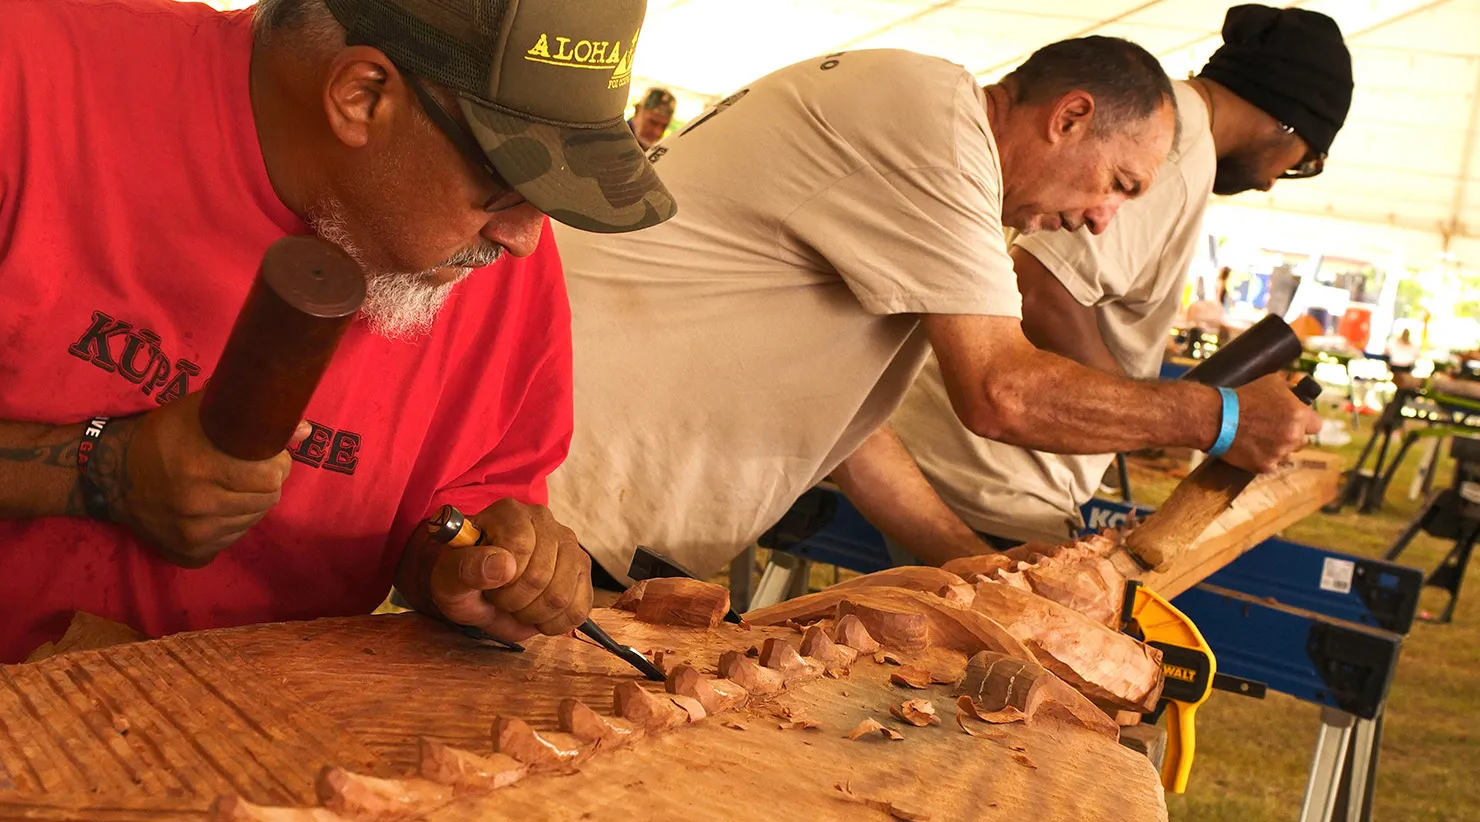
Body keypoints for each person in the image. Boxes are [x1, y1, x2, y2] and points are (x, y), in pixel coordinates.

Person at [0, 0, 674, 695]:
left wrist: (471, 568)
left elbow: (451, 522)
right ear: (362, 95)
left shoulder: (488, 263)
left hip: (211, 773)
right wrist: (98, 468)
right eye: (504, 186)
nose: (522, 239)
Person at [550, 36, 1320, 582]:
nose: (1100, 219)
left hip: (586, 495)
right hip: (554, 485)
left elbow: (851, 431)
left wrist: (966, 559)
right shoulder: (933, 130)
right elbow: (1001, 394)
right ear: (1071, 117)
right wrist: (1217, 418)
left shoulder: (934, 144)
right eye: (1117, 183)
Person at [884, 5, 1353, 550]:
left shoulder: (1160, 127)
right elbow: (1040, 291)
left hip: (957, 463)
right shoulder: (1175, 152)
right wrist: (1151, 411)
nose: (1274, 183)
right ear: (1284, 121)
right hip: (986, 483)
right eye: (1300, 163)